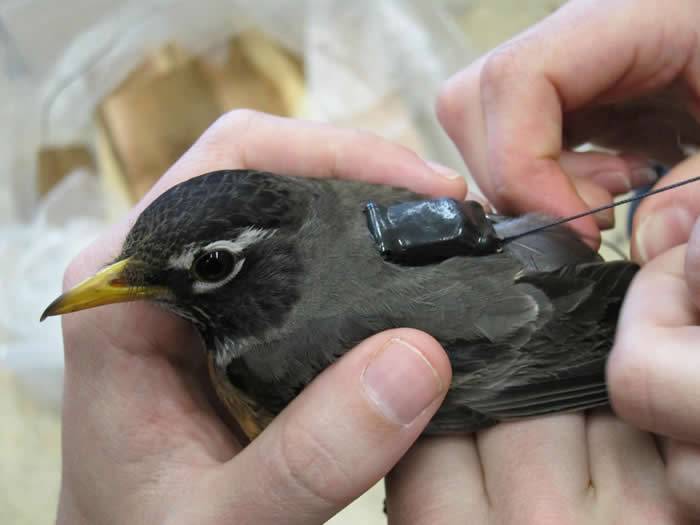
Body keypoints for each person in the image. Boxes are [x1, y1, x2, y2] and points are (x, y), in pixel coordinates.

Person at [57, 1, 700, 523]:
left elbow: (539, 366)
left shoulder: (273, 362)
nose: (107, 284)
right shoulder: (326, 198)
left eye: (214, 265)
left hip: (586, 308)